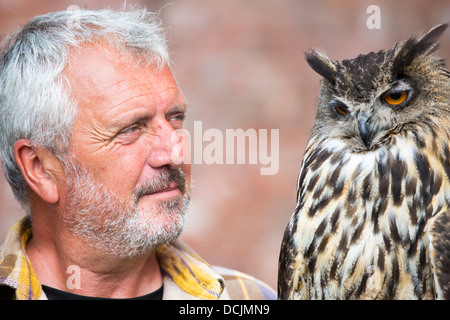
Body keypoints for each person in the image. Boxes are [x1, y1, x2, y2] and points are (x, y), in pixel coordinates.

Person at [0, 7, 276, 300]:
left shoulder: (249, 299)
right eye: (131, 128)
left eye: (175, 118)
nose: (174, 152)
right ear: (40, 168)